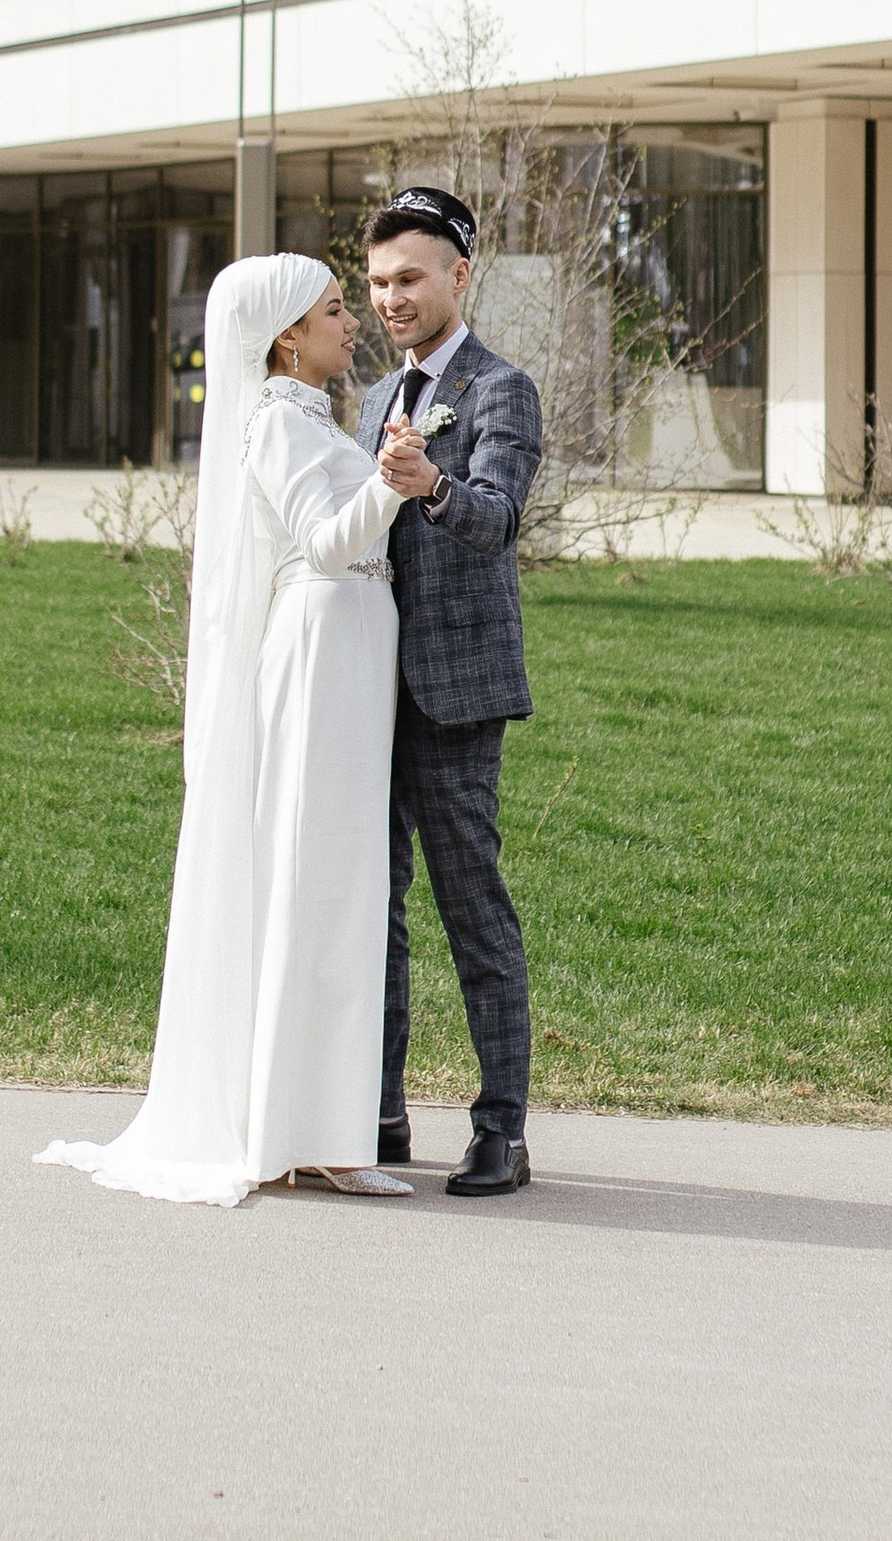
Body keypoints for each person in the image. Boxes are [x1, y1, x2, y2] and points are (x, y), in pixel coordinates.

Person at [36, 250, 429, 1207]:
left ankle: (318, 1127)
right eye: (337, 310)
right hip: (320, 652)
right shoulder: (275, 429)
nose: (353, 322)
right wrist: (394, 483)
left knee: (342, 878)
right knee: (314, 873)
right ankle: (294, 1131)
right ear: (288, 335)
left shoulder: (308, 418)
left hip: (351, 654)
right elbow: (329, 543)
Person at [356, 185, 544, 1197]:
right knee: (372, 909)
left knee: (471, 905)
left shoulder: (498, 388)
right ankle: (379, 1108)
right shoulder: (369, 399)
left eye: (410, 278)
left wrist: (427, 483)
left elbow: (497, 519)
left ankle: (501, 1127)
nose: (391, 297)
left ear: (457, 278)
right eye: (379, 281)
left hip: (456, 692)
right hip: (364, 697)